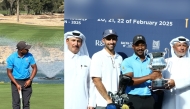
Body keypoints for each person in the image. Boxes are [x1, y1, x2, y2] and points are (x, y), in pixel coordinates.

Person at [120, 35, 162, 109]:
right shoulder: (127, 61)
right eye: (137, 45)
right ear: (133, 46)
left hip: (150, 99)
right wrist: (149, 77)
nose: (140, 48)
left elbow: (157, 78)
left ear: (146, 46)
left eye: (142, 45)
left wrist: (160, 83)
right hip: (133, 99)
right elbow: (129, 81)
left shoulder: (152, 61)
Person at [90, 29, 123, 109]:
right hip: (102, 103)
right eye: (108, 39)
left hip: (117, 103)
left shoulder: (120, 58)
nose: (111, 42)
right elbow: (96, 80)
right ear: (103, 40)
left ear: (116, 40)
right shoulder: (97, 56)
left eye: (113, 39)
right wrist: (108, 99)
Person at [64, 30, 95, 109]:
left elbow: (91, 83)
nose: (76, 44)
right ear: (67, 41)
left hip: (82, 103)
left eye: (78, 41)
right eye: (73, 40)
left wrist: (91, 103)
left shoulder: (87, 60)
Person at [6, 41, 37, 109]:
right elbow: (9, 72)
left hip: (27, 81)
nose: (28, 50)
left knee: (26, 103)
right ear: (21, 50)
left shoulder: (30, 56)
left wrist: (30, 80)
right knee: (16, 104)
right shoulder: (11, 58)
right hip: (15, 82)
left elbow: (34, 68)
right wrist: (16, 84)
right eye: (26, 49)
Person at [162, 36, 190, 109]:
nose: (182, 48)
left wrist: (175, 83)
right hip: (169, 100)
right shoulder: (165, 61)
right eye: (179, 45)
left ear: (187, 48)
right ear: (173, 47)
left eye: (184, 45)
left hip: (187, 99)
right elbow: (161, 79)